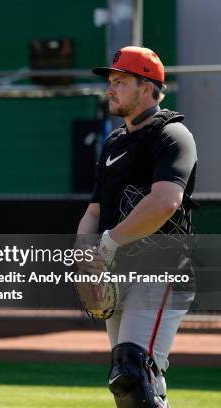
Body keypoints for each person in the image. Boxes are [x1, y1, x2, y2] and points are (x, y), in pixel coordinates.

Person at [77, 46, 197, 408]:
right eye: (111, 81)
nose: (110, 89)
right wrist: (84, 255)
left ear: (147, 86)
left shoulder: (173, 136)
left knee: (132, 369)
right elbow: (94, 211)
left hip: (160, 274)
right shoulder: (114, 142)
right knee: (129, 382)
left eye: (120, 81)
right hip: (117, 276)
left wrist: (108, 244)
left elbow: (165, 202)